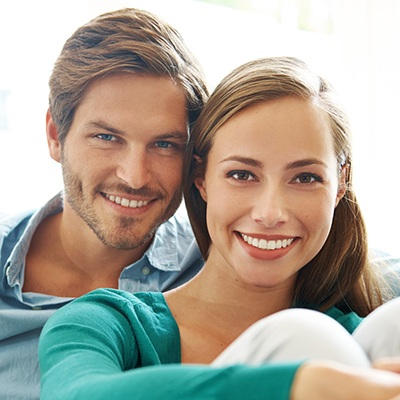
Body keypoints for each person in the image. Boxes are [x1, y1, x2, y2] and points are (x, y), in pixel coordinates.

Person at [39, 56, 400, 399]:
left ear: (340, 185)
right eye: (241, 175)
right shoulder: (104, 323)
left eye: (305, 178)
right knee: (303, 337)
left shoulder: (366, 336)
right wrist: (289, 386)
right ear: (201, 178)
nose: (270, 212)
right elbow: (74, 394)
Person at [0, 7, 208, 400]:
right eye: (107, 138)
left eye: (164, 145)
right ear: (55, 136)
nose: (135, 176)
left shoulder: (220, 267)